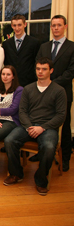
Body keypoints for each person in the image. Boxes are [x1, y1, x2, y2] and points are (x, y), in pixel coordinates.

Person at [3, 57, 66, 196]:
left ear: (51, 70)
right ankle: (16, 174)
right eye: (38, 69)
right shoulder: (28, 89)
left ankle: (41, 180)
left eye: (44, 69)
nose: (40, 72)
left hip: (48, 128)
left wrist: (42, 128)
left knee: (49, 147)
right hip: (29, 126)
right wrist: (30, 127)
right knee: (9, 140)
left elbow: (61, 116)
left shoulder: (59, 90)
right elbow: (22, 111)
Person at [36, 15, 74, 172]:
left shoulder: (72, 47)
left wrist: (52, 85)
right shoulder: (44, 46)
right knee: (40, 120)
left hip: (62, 93)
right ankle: (42, 153)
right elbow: (38, 66)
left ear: (65, 26)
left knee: (64, 127)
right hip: (42, 94)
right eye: (53, 25)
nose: (56, 28)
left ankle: (64, 158)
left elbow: (71, 71)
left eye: (59, 25)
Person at [2, 14, 40, 87]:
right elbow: (6, 62)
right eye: (14, 25)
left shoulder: (34, 42)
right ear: (12, 26)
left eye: (19, 25)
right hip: (11, 83)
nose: (17, 28)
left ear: (25, 24)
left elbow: (36, 62)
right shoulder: (6, 44)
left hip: (29, 83)